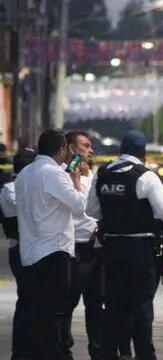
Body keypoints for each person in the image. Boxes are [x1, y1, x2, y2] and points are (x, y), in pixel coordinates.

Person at [86, 130, 163, 360]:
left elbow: (91, 210)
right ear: (143, 152)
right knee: (142, 306)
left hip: (112, 248)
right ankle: (144, 354)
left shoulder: (103, 173)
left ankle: (108, 353)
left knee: (114, 304)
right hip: (140, 249)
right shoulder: (145, 176)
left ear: (121, 149)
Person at [16, 129, 87, 360]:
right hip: (53, 251)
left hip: (29, 252)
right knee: (54, 313)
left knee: (36, 312)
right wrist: (76, 180)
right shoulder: (53, 173)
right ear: (61, 150)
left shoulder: (25, 174)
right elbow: (78, 205)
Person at [60, 130, 104, 360]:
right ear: (70, 148)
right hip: (71, 249)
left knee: (96, 305)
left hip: (93, 249)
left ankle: (98, 351)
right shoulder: (63, 176)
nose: (91, 150)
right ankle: (63, 349)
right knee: (67, 305)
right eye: (85, 146)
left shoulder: (93, 175)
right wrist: (74, 172)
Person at [1, 148, 36, 360]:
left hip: (27, 247)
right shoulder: (11, 190)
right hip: (23, 247)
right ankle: (22, 351)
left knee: (30, 301)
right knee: (28, 301)